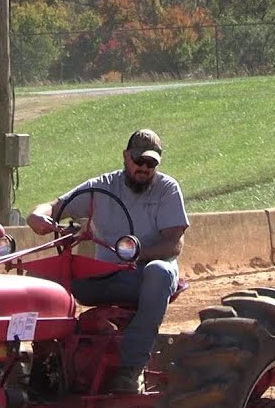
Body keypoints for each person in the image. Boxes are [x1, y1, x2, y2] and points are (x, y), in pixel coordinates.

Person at [27, 129, 189, 394]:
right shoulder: (102, 186)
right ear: (126, 157)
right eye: (139, 162)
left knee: (159, 271)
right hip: (106, 275)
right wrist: (38, 216)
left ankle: (130, 368)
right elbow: (55, 206)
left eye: (151, 164)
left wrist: (135, 253)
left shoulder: (167, 189)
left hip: (145, 275)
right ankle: (45, 365)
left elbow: (174, 243)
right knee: (42, 282)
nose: (144, 169)